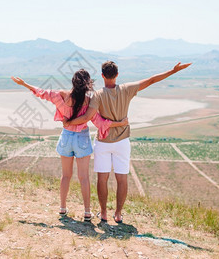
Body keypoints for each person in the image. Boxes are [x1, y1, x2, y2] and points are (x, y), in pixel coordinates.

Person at [64, 61, 191, 223]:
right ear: (117, 75)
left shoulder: (97, 95)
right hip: (122, 141)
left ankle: (103, 213)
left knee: (102, 179)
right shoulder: (126, 89)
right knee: (122, 178)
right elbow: (151, 80)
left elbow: (87, 117)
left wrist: (68, 122)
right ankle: (118, 213)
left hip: (103, 142)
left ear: (102, 76)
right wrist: (173, 71)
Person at [11, 69, 129, 221]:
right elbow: (100, 122)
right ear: (87, 83)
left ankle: (62, 208)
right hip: (82, 139)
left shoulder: (60, 95)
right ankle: (87, 212)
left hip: (66, 137)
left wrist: (24, 84)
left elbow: (42, 93)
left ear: (73, 82)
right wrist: (120, 123)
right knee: (84, 178)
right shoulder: (89, 100)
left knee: (65, 176)